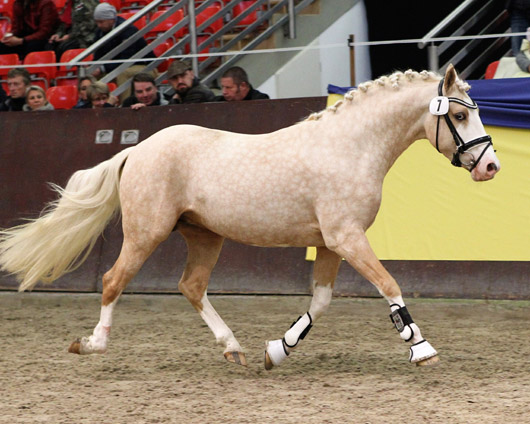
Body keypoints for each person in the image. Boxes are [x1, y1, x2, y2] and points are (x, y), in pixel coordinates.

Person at [91, 3, 156, 100]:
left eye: (101, 22)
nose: (99, 25)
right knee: (90, 78)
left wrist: (102, 68)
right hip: (118, 66)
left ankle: (124, 107)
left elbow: (126, 60)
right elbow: (98, 56)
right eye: (97, 22)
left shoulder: (127, 29)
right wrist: (94, 68)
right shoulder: (99, 32)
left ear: (111, 19)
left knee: (122, 73)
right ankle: (98, 106)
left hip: (145, 66)